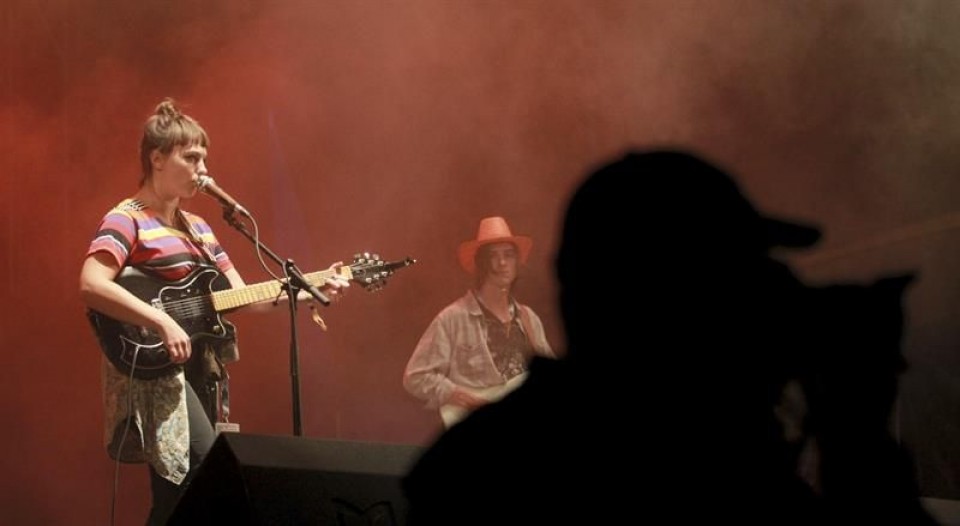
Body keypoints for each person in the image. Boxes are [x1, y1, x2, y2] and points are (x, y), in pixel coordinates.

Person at [402, 150, 933, 524]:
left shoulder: (472, 466)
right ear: (688, 306)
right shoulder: (709, 468)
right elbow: (420, 376)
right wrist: (857, 430)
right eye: (739, 278)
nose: (762, 299)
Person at [79, 99, 348, 525]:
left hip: (200, 368)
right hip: (154, 369)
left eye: (204, 157)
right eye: (192, 157)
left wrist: (308, 288)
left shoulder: (201, 228)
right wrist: (161, 320)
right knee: (208, 473)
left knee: (177, 495)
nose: (204, 169)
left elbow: (242, 296)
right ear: (157, 158)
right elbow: (92, 284)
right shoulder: (126, 218)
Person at [403, 216, 555, 428]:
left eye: (508, 255)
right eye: (493, 256)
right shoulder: (453, 318)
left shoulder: (529, 319)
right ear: (480, 263)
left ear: (516, 262)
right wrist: (458, 395)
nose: (502, 263)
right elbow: (415, 376)